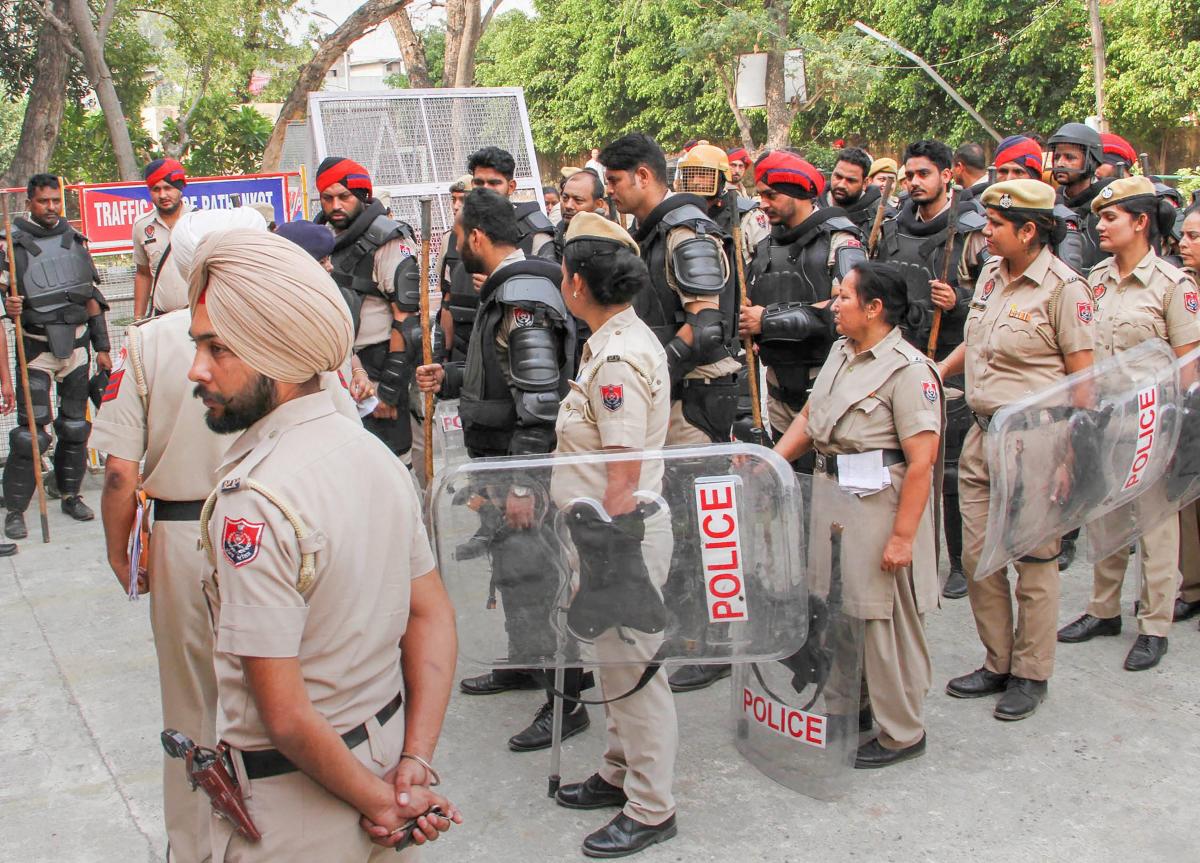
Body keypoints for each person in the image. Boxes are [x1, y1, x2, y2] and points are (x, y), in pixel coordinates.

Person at [186, 229, 460, 859]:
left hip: (304, 806)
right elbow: (433, 614)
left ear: (277, 355)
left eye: (217, 348)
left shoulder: (254, 500)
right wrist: (412, 765)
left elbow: (282, 715)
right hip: (386, 764)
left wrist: (380, 802)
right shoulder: (369, 452)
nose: (197, 369)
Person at [415, 188, 591, 753]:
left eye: (458, 232)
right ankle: (523, 661)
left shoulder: (522, 298)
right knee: (514, 570)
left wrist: (522, 483)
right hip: (500, 459)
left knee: (541, 579)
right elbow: (499, 370)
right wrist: (449, 375)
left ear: (478, 238)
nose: (454, 243)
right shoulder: (507, 292)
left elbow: (539, 400)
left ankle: (567, 702)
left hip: (524, 468)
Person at [773, 260, 941, 767]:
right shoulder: (842, 352)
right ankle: (848, 711)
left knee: (879, 618)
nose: (834, 305)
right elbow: (810, 416)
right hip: (832, 493)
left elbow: (922, 462)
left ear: (875, 308)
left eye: (844, 297)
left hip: (878, 505)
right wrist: (771, 462)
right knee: (835, 611)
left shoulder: (909, 370)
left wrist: (902, 538)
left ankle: (901, 732)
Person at [939, 179, 1095, 721]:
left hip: (1040, 440)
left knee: (1035, 562)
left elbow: (1084, 381)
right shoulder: (989, 273)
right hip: (983, 435)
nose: (986, 231)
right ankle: (997, 661)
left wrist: (1072, 458)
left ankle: (1031, 673)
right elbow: (977, 339)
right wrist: (938, 369)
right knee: (978, 558)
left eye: (996, 224)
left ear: (1029, 230)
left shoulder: (1065, 289)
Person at [550, 211, 677, 857]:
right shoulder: (612, 339)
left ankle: (652, 805)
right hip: (604, 536)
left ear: (576, 284)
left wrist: (605, 564)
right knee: (615, 664)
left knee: (635, 673)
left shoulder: (617, 358)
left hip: (618, 538)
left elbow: (621, 475)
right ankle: (617, 769)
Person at [599, 132, 740, 693]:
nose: (610, 193)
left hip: (698, 402)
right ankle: (690, 630)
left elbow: (706, 327)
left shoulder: (687, 232)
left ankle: (718, 642)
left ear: (643, 175)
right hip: (671, 399)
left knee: (706, 528)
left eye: (614, 182)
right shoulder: (651, 233)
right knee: (677, 523)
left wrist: (655, 373)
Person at [1056, 177, 1200, 670]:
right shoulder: (1095, 280)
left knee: (1157, 527)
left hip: (1152, 425)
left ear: (1140, 222)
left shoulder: (1173, 286)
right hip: (1105, 421)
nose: (1100, 225)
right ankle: (1103, 609)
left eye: (1111, 217)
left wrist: (1174, 429)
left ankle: (1154, 624)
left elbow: (1188, 365)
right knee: (1105, 518)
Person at [876, 140, 988, 599]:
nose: (913, 182)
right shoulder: (890, 228)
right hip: (900, 357)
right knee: (900, 462)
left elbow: (993, 302)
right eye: (909, 175)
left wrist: (958, 300)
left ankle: (960, 561)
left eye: (923, 174)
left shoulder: (972, 234)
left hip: (950, 361)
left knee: (950, 471)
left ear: (948, 175)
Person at [2, 173, 111, 538]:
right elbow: (6, 298)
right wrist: (11, 304)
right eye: (43, 201)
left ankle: (69, 493)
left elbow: (92, 299)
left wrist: (104, 349)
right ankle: (15, 509)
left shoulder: (75, 241)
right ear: (30, 202)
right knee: (31, 435)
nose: (51, 207)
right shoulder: (12, 246)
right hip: (36, 349)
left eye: (55, 201)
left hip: (78, 348)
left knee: (75, 427)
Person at [738, 150, 866, 450]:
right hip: (777, 388)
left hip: (827, 383)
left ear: (797, 192)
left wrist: (767, 320)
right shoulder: (763, 245)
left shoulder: (841, 239)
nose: (763, 203)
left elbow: (847, 311)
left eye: (771, 195)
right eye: (760, 194)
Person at [313, 156, 425, 464]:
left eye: (344, 197)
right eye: (327, 197)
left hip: (379, 363)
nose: (335, 205)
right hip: (335, 363)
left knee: (390, 462)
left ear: (362, 196)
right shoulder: (319, 237)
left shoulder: (387, 238)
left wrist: (388, 390)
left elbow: (407, 321)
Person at [443, 148, 555, 362]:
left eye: (494, 183)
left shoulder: (535, 235)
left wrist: (501, 284)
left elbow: (550, 299)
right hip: (464, 357)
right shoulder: (458, 233)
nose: (485, 190)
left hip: (511, 355)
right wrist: (443, 360)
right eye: (478, 183)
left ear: (511, 186)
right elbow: (447, 301)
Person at [673, 143, 770, 265]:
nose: (696, 181)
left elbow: (763, 265)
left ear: (721, 178)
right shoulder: (677, 215)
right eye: (691, 175)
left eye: (703, 174)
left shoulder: (748, 215)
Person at [1174, 207, 1200, 624]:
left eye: (1194, 236)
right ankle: (1191, 587)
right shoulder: (1178, 285)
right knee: (1186, 503)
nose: (1184, 242)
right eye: (1184, 235)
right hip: (1189, 405)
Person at [1048, 122, 1112, 271]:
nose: (1060, 163)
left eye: (1070, 157)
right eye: (1057, 157)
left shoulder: (1107, 205)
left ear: (1091, 161)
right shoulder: (1051, 203)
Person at [133, 158, 192, 319]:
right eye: (156, 189)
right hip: (162, 319)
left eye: (168, 188)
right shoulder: (142, 226)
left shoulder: (198, 219)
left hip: (199, 316)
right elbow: (143, 273)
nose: (163, 195)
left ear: (180, 188)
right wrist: (138, 319)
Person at [539, 169, 610, 265]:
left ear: (598, 204)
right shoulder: (557, 232)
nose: (568, 205)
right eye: (565, 198)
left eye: (578, 200)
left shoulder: (608, 243)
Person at [824, 147, 883, 235]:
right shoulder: (812, 205)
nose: (841, 185)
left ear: (865, 183)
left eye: (850, 180)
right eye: (838, 177)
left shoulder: (879, 215)